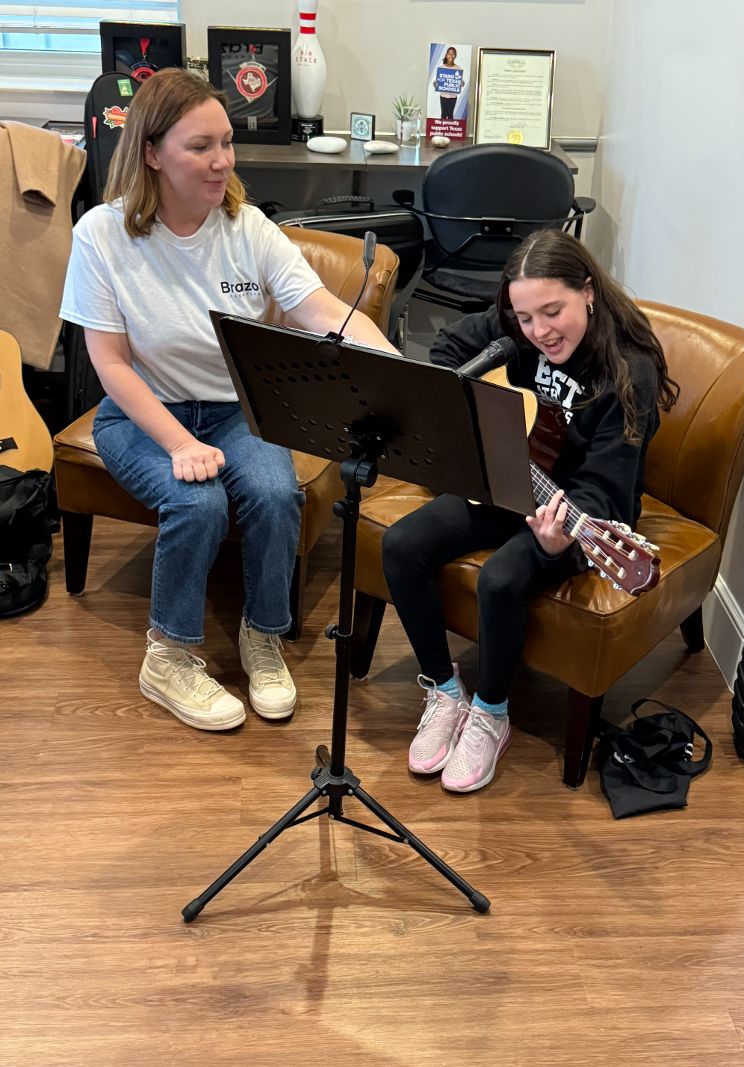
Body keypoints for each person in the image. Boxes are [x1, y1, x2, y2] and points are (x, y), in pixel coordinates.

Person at [59, 68, 396, 733]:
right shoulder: (102, 236)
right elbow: (109, 363)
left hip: (234, 409)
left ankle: (262, 636)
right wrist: (180, 444)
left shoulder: (249, 230)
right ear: (152, 153)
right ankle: (168, 654)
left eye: (227, 142)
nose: (222, 161)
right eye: (201, 146)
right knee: (196, 499)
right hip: (139, 414)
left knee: (276, 495)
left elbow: (323, 309)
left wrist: (394, 372)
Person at [382, 230, 679, 793]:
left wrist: (559, 539)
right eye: (524, 318)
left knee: (501, 578)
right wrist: (483, 423)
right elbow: (447, 355)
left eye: (553, 311)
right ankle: (444, 692)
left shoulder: (626, 373)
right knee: (400, 546)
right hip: (506, 478)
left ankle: (491, 713)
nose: (538, 332)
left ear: (587, 292)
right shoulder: (514, 326)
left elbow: (609, 493)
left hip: (578, 514)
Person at [434, 47, 463, 120]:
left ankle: (450, 130)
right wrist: (435, 84)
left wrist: (462, 83)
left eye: (453, 54)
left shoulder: (458, 68)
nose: (451, 55)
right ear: (446, 55)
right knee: (443, 114)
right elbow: (437, 82)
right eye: (449, 53)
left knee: (450, 115)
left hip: (453, 96)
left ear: (455, 56)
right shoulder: (441, 68)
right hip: (443, 95)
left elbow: (460, 82)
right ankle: (442, 130)